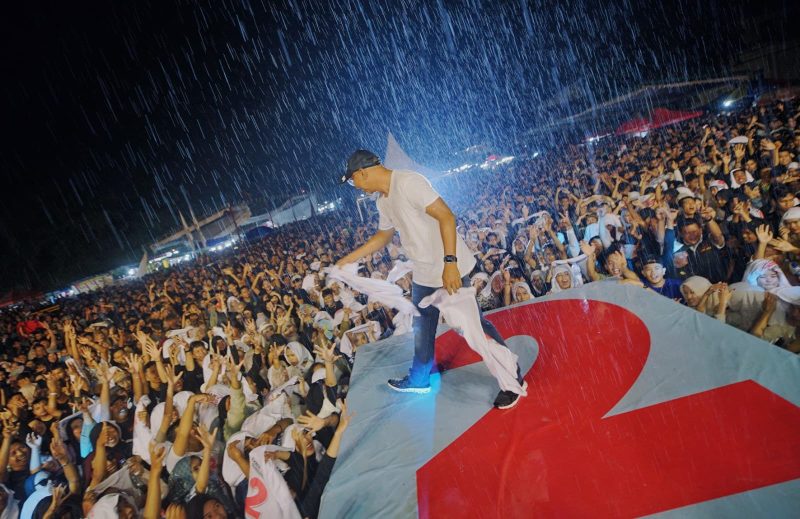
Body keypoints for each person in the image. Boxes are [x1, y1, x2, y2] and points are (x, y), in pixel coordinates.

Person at [336, 150, 525, 409]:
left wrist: (450, 265)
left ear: (361, 173)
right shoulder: (383, 201)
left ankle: (512, 375)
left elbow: (446, 216)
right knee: (422, 328)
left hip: (448, 267)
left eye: (352, 180)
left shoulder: (408, 182)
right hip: (424, 272)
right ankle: (419, 378)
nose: (355, 186)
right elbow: (383, 236)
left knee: (472, 328)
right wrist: (350, 258)